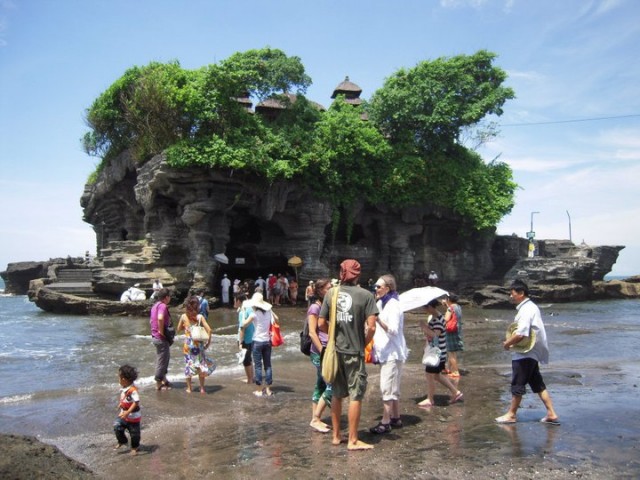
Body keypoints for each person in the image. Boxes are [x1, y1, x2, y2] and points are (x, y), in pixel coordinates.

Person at [319, 259, 378, 451]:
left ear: (341, 273)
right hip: (354, 352)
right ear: (358, 275)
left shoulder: (331, 293)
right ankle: (353, 440)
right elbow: (372, 327)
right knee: (356, 395)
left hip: (335, 352)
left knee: (337, 394)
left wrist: (335, 337)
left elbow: (320, 324)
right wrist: (363, 342)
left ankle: (336, 436)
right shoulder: (366, 295)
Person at [496, 280, 560, 425]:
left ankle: (511, 414)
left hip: (525, 353)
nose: (510, 297)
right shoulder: (531, 307)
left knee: (518, 383)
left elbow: (521, 334)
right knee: (537, 383)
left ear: (521, 293)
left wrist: (507, 343)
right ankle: (551, 413)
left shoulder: (526, 310)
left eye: (512, 294)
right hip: (533, 352)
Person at [369, 274, 408, 434]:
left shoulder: (393, 305)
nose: (376, 289)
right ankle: (396, 417)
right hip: (384, 351)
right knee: (392, 385)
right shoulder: (380, 303)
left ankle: (385, 421)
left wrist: (378, 320)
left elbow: (393, 330)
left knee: (387, 386)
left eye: (378, 286)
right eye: (375, 286)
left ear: (388, 288)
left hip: (393, 352)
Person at [417, 300, 463, 408]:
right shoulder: (437, 317)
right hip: (439, 352)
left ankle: (430, 399)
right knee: (437, 376)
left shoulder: (437, 319)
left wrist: (423, 327)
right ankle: (455, 392)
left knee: (429, 375)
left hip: (435, 354)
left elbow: (434, 335)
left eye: (425, 307)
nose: (424, 310)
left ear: (430, 307)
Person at [307, 278, 333, 433]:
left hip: (327, 350)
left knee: (321, 384)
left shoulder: (326, 306)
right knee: (332, 385)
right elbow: (312, 332)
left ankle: (316, 418)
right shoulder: (314, 308)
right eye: (328, 288)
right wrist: (322, 351)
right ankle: (315, 418)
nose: (330, 290)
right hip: (319, 352)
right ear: (320, 290)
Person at [241, 292, 279, 397]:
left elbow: (244, 324)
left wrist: (244, 312)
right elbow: (277, 319)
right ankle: (268, 389)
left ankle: (258, 389)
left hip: (257, 341)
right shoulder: (268, 312)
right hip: (267, 341)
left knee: (258, 366)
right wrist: (270, 310)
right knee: (268, 365)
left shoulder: (254, 314)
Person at [176, 295, 215, 394]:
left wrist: (186, 327)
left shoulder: (184, 317)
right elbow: (209, 330)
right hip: (199, 346)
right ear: (197, 307)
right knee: (200, 366)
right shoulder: (200, 317)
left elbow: (178, 329)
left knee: (189, 365)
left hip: (188, 346)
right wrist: (208, 344)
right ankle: (202, 388)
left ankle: (189, 388)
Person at [113, 364, 141, 455]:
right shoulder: (124, 388)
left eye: (119, 378)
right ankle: (122, 441)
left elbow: (136, 402)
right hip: (123, 415)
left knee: (134, 434)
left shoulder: (133, 390)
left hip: (133, 417)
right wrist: (120, 404)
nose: (119, 380)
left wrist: (128, 412)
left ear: (124, 379)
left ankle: (134, 447)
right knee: (117, 426)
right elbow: (124, 398)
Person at [150, 288, 172, 391]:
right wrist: (161, 332)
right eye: (169, 296)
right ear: (166, 297)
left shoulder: (155, 305)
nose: (170, 298)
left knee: (165, 358)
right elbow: (160, 318)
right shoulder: (162, 306)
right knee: (162, 360)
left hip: (155, 336)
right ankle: (158, 383)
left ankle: (164, 379)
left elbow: (151, 320)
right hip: (160, 338)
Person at [443, 294, 464, 377]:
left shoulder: (450, 308)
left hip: (450, 330)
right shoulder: (458, 307)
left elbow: (446, 319)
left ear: (448, 299)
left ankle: (455, 371)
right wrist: (447, 305)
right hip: (457, 330)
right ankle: (450, 369)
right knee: (453, 352)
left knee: (451, 353)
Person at [237, 292, 254, 384]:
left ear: (239, 301)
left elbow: (242, 328)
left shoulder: (242, 312)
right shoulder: (250, 309)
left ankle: (250, 379)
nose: (234, 303)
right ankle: (251, 377)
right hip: (252, 338)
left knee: (246, 360)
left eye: (235, 301)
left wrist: (240, 342)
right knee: (249, 358)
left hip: (245, 339)